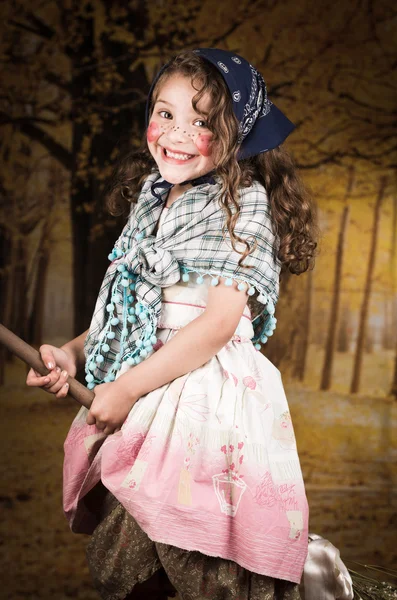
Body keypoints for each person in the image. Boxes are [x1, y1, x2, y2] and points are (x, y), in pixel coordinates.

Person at [26, 49, 352, 600]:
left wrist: (127, 387)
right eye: (165, 112)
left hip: (203, 398)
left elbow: (218, 324)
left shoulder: (240, 202)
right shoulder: (151, 199)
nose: (176, 133)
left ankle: (303, 574)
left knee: (193, 544)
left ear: (237, 134)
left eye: (201, 121)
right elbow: (132, 308)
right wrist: (73, 353)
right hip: (149, 386)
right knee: (135, 541)